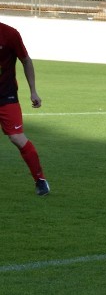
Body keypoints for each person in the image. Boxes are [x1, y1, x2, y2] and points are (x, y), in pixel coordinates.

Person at [0, 21, 49, 196]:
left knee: (17, 138)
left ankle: (40, 180)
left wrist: (33, 91)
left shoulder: (10, 34)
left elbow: (25, 60)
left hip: (6, 96)